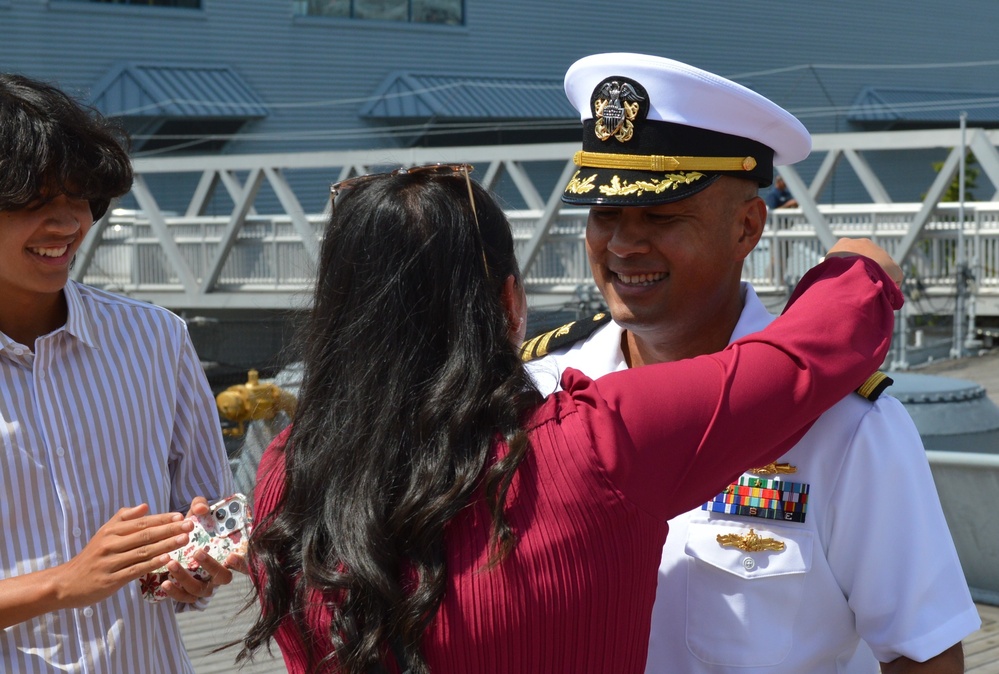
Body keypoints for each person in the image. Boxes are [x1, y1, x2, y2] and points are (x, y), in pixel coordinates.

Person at [238, 155, 902, 674]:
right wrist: (857, 269)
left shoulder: (285, 471)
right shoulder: (602, 443)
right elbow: (803, 357)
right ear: (509, 302)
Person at [524, 53, 980, 673]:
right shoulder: (537, 387)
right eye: (605, 215)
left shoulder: (847, 427)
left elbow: (923, 656)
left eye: (660, 216)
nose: (624, 245)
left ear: (747, 226)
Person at [0, 73, 237, 672]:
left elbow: (209, 516)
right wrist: (63, 583)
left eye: (78, 197)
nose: (66, 224)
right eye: (32, 201)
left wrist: (196, 569)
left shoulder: (156, 338)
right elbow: (78, 580)